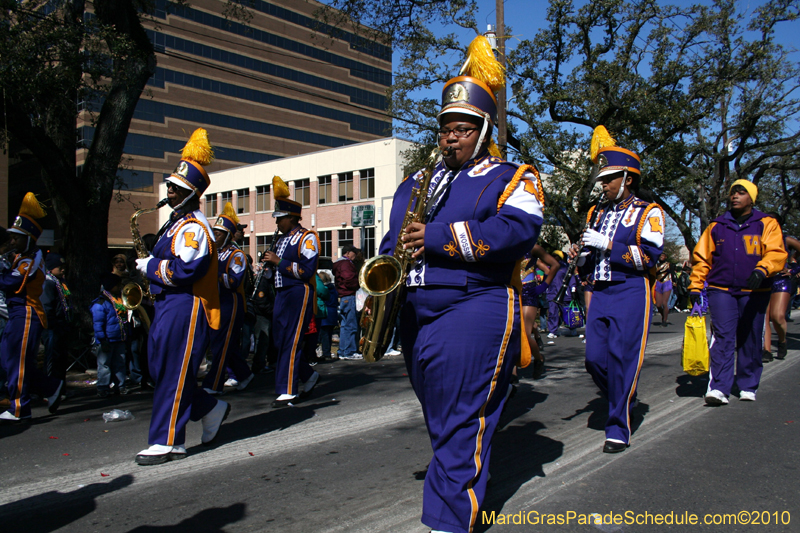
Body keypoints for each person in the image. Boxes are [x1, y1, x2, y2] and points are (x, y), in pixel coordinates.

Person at [381, 35, 544, 533]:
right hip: (416, 309)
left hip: (475, 304)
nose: (452, 137)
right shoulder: (416, 182)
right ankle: (462, 490)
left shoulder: (513, 176)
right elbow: (392, 240)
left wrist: (435, 236)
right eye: (447, 128)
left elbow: (515, 232)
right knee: (445, 418)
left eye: (464, 128)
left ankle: (450, 521)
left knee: (458, 419)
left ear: (484, 129)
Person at [133, 128, 229, 464]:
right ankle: (209, 407)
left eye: (178, 188)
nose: (170, 191)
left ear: (192, 193)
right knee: (161, 369)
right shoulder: (176, 224)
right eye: (171, 186)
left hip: (186, 305)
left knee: (172, 371)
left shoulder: (193, 228)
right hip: (167, 305)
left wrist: (151, 267)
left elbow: (184, 271)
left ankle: (168, 441)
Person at [569, 126, 664, 454]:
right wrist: (579, 255)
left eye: (609, 178)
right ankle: (625, 393)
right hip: (602, 291)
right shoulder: (596, 212)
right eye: (603, 179)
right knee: (594, 359)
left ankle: (618, 427)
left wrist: (609, 244)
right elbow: (588, 260)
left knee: (622, 359)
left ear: (628, 179)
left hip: (631, 290)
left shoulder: (648, 212)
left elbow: (649, 256)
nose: (604, 184)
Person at [689, 180, 786, 404]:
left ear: (752, 198)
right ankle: (718, 388)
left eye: (741, 193)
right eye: (733, 193)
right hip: (721, 289)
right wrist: (695, 285)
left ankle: (748, 384)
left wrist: (763, 270)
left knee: (750, 337)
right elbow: (702, 258)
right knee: (722, 336)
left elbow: (776, 253)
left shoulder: (766, 223)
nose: (735, 196)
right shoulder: (717, 225)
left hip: (755, 291)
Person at [0, 193, 64, 422]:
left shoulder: (30, 260)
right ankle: (51, 386)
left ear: (29, 239)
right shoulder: (19, 258)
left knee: (16, 361)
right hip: (16, 314)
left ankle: (19, 408)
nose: (12, 242)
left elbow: (10, 282)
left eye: (17, 238)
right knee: (7, 360)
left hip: (27, 313)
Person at [262, 175, 320, 408]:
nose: (277, 223)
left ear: (292, 217)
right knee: (280, 340)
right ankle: (308, 375)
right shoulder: (280, 240)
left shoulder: (307, 238)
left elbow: (307, 271)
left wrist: (278, 262)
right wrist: (268, 267)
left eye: (281, 219)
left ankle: (287, 390)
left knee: (291, 340)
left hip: (298, 291)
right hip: (282, 292)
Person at [202, 203, 255, 394]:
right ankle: (244, 374)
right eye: (213, 232)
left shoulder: (237, 255)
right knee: (221, 343)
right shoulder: (211, 253)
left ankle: (213, 383)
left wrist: (211, 274)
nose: (214, 236)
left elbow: (233, 281)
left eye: (218, 234)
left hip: (230, 303)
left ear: (228, 236)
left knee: (221, 344)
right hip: (214, 302)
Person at [762, 213, 800, 362]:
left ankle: (782, 341)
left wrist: (794, 268)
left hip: (781, 280)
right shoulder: (758, 239)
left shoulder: (787, 240)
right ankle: (766, 350)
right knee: (764, 317)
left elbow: (796, 255)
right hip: (763, 280)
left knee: (777, 316)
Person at [91, 273, 130, 397]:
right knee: (104, 364)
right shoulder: (100, 303)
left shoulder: (119, 298)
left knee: (120, 363)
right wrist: (102, 339)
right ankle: (103, 387)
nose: (120, 287)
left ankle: (120, 385)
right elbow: (98, 324)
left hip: (119, 337)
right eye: (117, 285)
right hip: (106, 339)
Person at [40, 253, 71, 381]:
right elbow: (47, 306)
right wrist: (52, 324)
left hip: (62, 325)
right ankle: (49, 389)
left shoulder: (60, 282)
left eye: (63, 266)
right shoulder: (48, 283)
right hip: (52, 327)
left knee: (61, 358)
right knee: (52, 357)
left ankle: (60, 388)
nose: (63, 269)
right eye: (59, 267)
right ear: (51, 268)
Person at [332, 244, 361, 360]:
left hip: (344, 297)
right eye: (354, 253)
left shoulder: (339, 264)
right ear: (348, 253)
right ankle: (349, 351)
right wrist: (358, 285)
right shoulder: (346, 264)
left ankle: (344, 351)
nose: (355, 256)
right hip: (349, 296)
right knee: (350, 325)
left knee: (345, 326)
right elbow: (349, 279)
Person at [317, 271, 339, 361]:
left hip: (326, 314)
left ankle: (326, 353)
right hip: (333, 313)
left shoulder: (324, 290)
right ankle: (327, 352)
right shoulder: (333, 289)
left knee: (324, 335)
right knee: (328, 334)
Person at [654, 253, 672, 326]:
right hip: (658, 283)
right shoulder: (655, 265)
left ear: (666, 257)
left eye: (663, 256)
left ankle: (664, 321)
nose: (661, 257)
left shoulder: (669, 264)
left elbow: (672, 273)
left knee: (664, 303)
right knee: (658, 305)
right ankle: (663, 315)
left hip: (667, 282)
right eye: (660, 256)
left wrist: (674, 282)